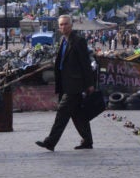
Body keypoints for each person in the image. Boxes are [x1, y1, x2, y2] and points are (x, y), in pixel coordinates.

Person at [36, 15, 97, 152]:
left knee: (62, 113)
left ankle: (50, 141)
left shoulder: (78, 41)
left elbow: (85, 64)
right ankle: (87, 140)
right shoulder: (63, 41)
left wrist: (90, 84)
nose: (63, 27)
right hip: (65, 84)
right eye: (61, 25)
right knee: (77, 114)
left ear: (71, 25)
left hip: (75, 85)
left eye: (66, 24)